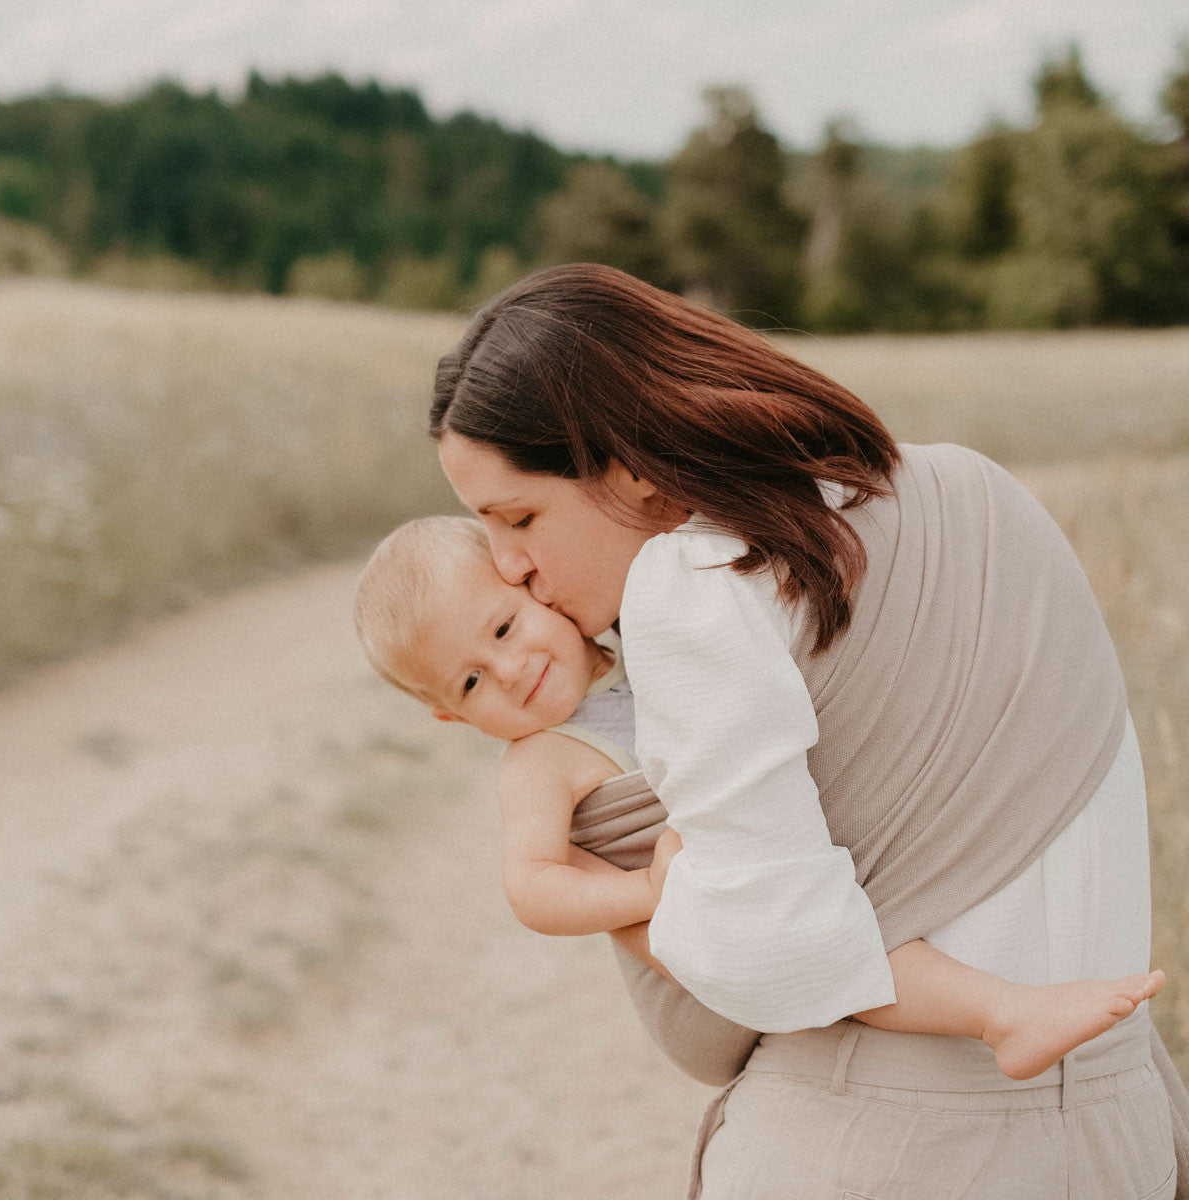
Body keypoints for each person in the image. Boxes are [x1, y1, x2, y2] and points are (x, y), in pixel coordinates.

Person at [427, 262, 1186, 1199]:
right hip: (1127, 1122)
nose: (512, 569)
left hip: (882, 1143)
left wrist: (656, 891)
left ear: (627, 465)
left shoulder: (693, 584)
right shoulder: (978, 492)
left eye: (519, 517)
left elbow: (761, 964)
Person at [353, 513, 1162, 1081]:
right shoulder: (540, 759)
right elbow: (530, 884)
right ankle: (1001, 1016)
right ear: (448, 714)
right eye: (469, 681)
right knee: (835, 941)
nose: (508, 670)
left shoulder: (639, 643)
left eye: (501, 631)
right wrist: (645, 891)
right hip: (682, 941)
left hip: (730, 882)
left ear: (533, 590)